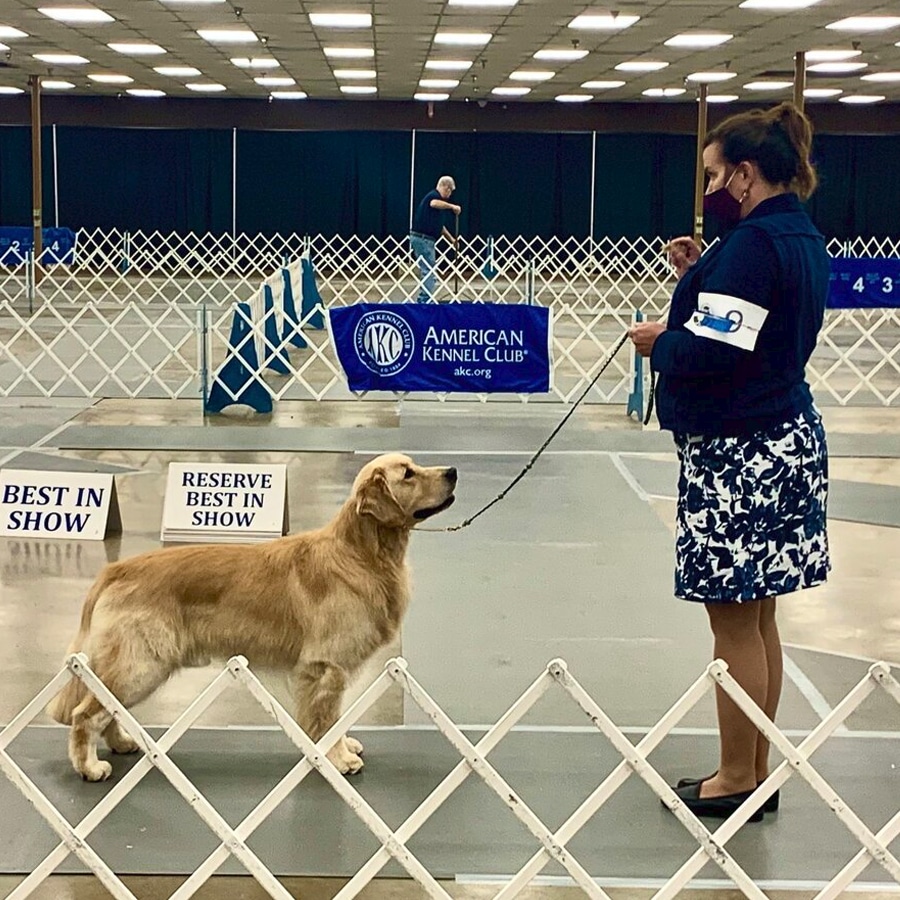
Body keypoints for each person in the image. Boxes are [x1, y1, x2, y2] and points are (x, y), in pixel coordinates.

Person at [628, 101, 831, 822]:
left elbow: (715, 350)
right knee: (760, 614)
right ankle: (756, 766)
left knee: (732, 622)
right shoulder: (796, 234)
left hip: (741, 453)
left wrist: (661, 342)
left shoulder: (750, 246)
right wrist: (695, 275)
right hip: (785, 440)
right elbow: (747, 317)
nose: (711, 186)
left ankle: (736, 776)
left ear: (745, 174)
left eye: (716, 174)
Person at [410, 175, 461, 303]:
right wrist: (452, 207)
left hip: (423, 238)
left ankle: (425, 298)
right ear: (446, 188)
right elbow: (434, 203)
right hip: (424, 239)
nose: (450, 195)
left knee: (427, 270)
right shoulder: (434, 196)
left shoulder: (436, 205)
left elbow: (439, 227)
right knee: (429, 271)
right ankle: (425, 300)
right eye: (450, 191)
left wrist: (452, 240)